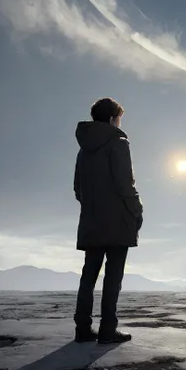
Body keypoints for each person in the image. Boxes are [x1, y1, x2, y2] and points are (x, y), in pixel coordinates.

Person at [73, 97, 143, 344]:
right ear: (113, 118)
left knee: (88, 275)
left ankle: (82, 329)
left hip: (91, 222)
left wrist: (94, 208)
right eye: (119, 118)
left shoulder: (84, 150)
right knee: (113, 277)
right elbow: (125, 185)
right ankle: (107, 329)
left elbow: (77, 189)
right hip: (117, 223)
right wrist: (137, 210)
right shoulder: (118, 143)